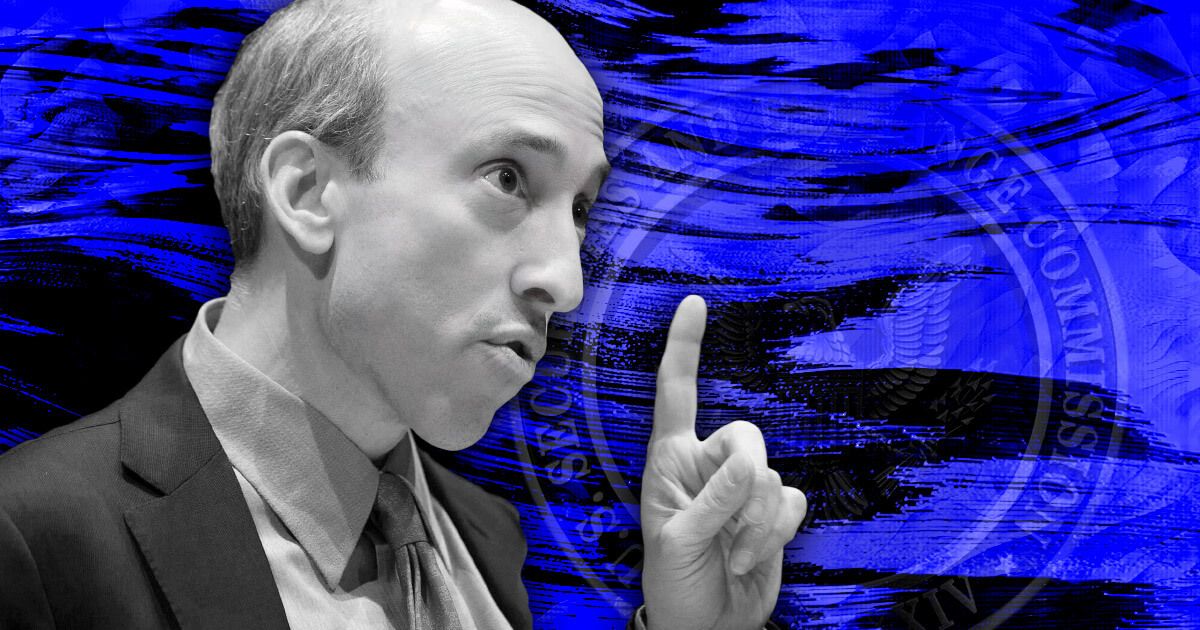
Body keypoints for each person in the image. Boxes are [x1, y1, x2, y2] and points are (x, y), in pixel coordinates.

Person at [0, 0, 807, 628]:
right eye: (507, 178)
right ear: (308, 193)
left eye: (580, 210)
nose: (566, 282)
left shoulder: (487, 533)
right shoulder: (32, 536)